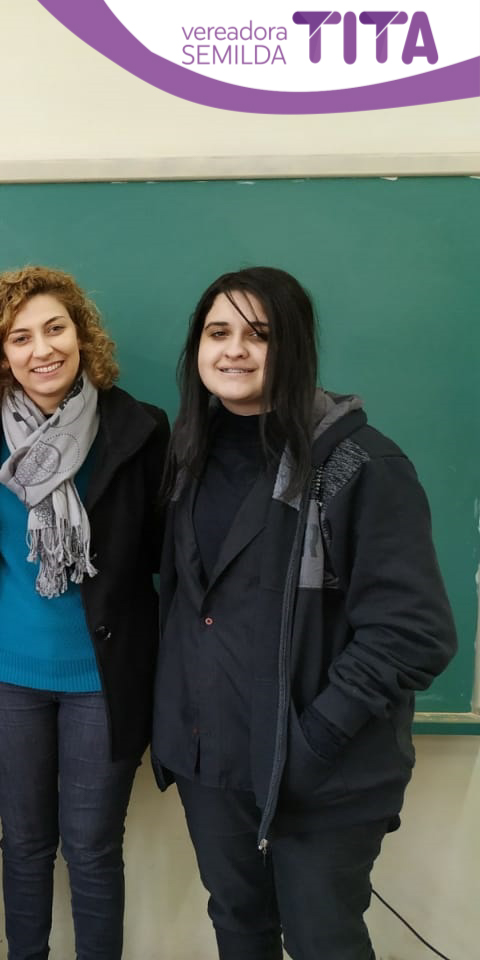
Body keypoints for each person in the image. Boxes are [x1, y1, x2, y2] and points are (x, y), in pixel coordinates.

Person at [151, 265, 456, 960]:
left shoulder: (360, 465)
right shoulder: (187, 458)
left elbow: (414, 631)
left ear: (294, 346)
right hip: (211, 760)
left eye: (259, 334)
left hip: (323, 772)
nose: (234, 350)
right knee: (238, 927)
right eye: (217, 333)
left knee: (324, 942)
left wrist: (314, 739)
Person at [0, 266, 168, 960]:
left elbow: (162, 552)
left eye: (55, 328)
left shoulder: (137, 428)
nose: (42, 349)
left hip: (103, 677)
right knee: (25, 844)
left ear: (81, 335)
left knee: (94, 848)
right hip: (5, 675)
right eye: (20, 337)